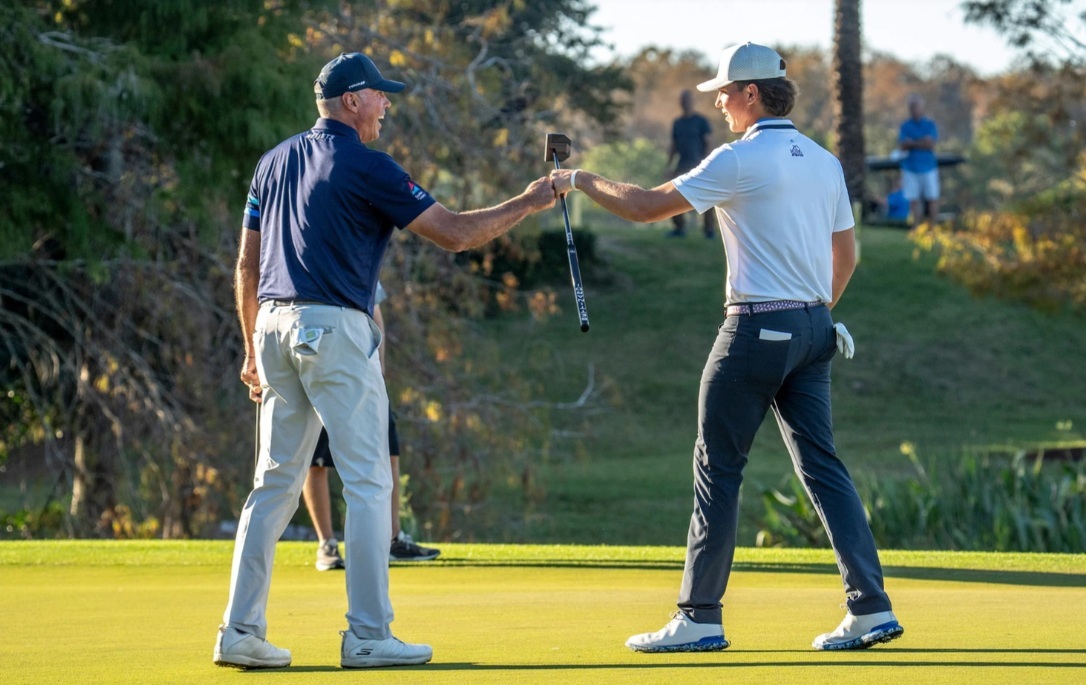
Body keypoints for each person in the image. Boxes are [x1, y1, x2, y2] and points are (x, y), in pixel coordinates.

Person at [549, 42, 902, 653]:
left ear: (752, 93)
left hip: (754, 332)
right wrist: (813, 313)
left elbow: (647, 207)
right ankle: (870, 608)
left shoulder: (738, 159)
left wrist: (578, 179)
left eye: (725, 91)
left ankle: (699, 616)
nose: (718, 101)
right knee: (824, 468)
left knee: (718, 469)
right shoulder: (823, 162)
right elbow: (845, 255)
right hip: (814, 329)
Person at [215, 51, 554, 671]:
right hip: (334, 329)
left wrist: (249, 347)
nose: (386, 104)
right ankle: (369, 636)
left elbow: (246, 264)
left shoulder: (272, 161)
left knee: (273, 483)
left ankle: (239, 631)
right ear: (351, 101)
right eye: (378, 94)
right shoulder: (369, 165)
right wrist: (529, 202)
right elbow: (454, 233)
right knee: (370, 483)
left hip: (271, 328)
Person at [303, 280, 440, 572]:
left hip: (363, 369)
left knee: (388, 453)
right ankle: (327, 544)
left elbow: (375, 312)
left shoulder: (360, 255)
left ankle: (392, 539)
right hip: (317, 362)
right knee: (314, 461)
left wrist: (379, 367)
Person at [666, 89, 716, 238]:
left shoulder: (701, 121)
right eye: (683, 101)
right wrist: (669, 165)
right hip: (682, 165)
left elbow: (708, 142)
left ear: (693, 102)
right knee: (673, 195)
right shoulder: (677, 123)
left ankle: (709, 230)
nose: (685, 103)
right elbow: (673, 145)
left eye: (688, 100)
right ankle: (679, 228)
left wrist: (707, 164)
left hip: (699, 164)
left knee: (707, 197)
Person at [898, 94, 939, 225]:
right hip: (911, 168)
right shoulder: (905, 126)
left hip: (928, 167)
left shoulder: (929, 124)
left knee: (932, 197)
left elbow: (930, 144)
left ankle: (933, 227)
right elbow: (903, 145)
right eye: (912, 107)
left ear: (922, 108)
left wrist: (913, 143)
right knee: (914, 199)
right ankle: (916, 227)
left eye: (917, 106)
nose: (914, 109)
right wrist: (921, 142)